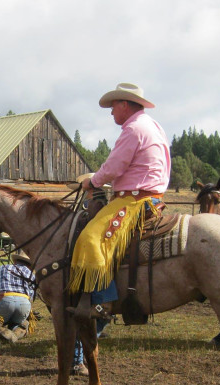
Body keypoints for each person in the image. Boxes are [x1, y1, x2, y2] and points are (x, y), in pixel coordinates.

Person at [68, 83, 171, 320]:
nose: (111, 111)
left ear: (124, 104)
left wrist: (92, 182)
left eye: (114, 106)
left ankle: (104, 302)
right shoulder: (154, 126)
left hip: (133, 201)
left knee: (90, 239)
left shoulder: (133, 129)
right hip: (151, 196)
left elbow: (114, 166)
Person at [0, 250, 36, 343]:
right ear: (29, 265)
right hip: (24, 303)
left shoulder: (2, 268)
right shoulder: (31, 274)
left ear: (15, 261)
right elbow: (32, 296)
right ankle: (19, 329)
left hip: (5, 300)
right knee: (16, 323)